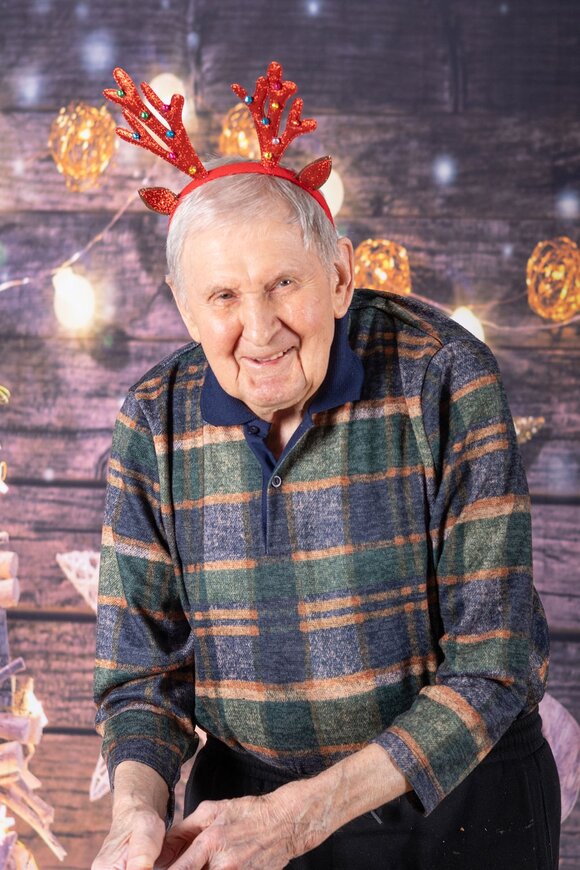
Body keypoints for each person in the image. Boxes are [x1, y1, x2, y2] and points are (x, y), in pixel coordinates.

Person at [92, 63, 560, 870]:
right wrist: (135, 812)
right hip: (247, 806)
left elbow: (495, 661)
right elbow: (140, 676)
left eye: (283, 283)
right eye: (223, 297)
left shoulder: (445, 378)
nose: (260, 327)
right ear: (183, 306)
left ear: (340, 276)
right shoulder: (152, 419)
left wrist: (300, 818)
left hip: (460, 802)